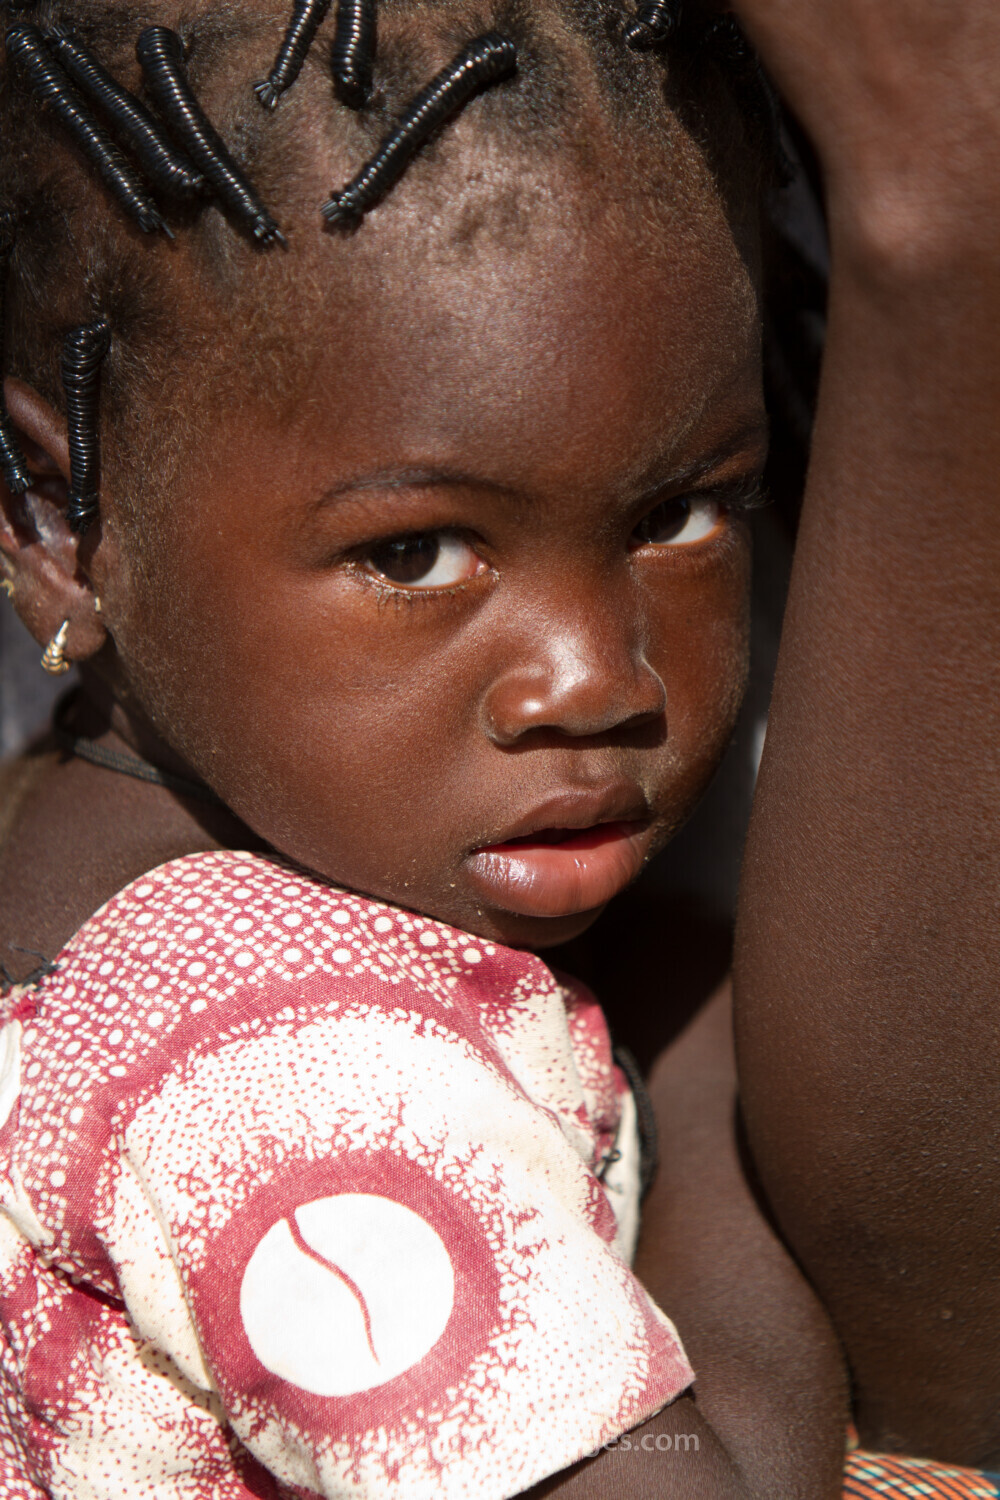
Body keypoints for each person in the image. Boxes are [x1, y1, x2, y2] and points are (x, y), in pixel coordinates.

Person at [0, 1, 992, 1497]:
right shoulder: (286, 1076)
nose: (594, 679)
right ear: (60, 531)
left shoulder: (137, 860)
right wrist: (708, 1059)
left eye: (681, 515)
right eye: (416, 552)